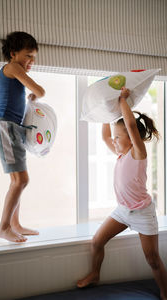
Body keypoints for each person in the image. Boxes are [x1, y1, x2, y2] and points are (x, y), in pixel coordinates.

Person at [77, 87, 167, 300]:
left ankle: (165, 291)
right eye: (115, 138)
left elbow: (130, 127)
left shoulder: (138, 153)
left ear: (132, 137)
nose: (114, 141)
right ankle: (95, 274)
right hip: (123, 211)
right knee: (97, 241)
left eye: (119, 137)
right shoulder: (121, 153)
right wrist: (104, 113)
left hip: (143, 212)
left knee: (152, 258)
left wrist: (123, 101)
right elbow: (105, 136)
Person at [0, 31, 45, 243]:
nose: (31, 61)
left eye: (34, 57)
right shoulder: (12, 68)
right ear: (13, 53)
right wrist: (33, 95)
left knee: (17, 180)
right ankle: (3, 227)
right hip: (6, 128)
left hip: (8, 128)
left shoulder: (11, 75)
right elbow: (40, 90)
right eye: (28, 55)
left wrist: (8, 119)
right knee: (21, 180)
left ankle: (15, 224)